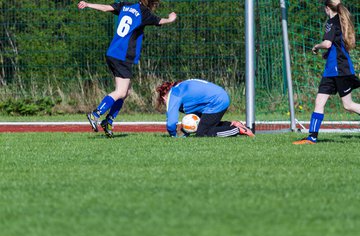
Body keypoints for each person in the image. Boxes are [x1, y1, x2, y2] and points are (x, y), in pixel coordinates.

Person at [78, 0, 177, 137]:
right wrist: (170, 19)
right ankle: (96, 114)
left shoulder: (126, 5)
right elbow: (160, 21)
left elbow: (106, 8)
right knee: (121, 91)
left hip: (113, 53)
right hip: (122, 56)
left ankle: (108, 121)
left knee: (126, 91)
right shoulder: (144, 12)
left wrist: (88, 4)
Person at [293, 0, 360, 145]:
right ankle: (312, 138)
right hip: (333, 69)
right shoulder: (340, 21)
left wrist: (317, 46)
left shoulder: (331, 22)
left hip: (339, 70)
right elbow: (336, 46)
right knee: (320, 101)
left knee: (347, 105)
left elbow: (328, 43)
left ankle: (312, 137)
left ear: (327, 8)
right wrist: (328, 54)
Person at [156, 79, 255, 138]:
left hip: (216, 101)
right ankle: (233, 124)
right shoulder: (180, 88)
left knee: (202, 133)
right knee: (206, 126)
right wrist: (186, 132)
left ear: (164, 96)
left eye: (163, 101)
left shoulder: (174, 94)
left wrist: (174, 136)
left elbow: (171, 123)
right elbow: (197, 117)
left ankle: (236, 129)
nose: (165, 104)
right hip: (218, 98)